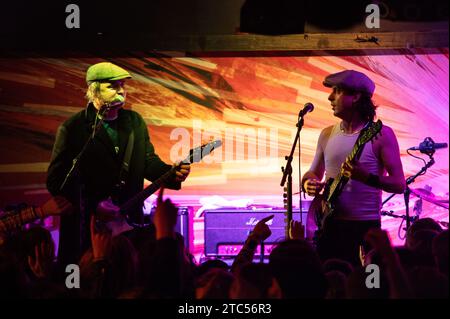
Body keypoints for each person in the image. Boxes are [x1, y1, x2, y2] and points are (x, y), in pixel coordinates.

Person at [46, 62, 190, 266]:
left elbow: (147, 161)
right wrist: (94, 204)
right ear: (94, 90)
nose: (121, 91)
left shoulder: (134, 122)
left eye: (122, 85)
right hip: (88, 229)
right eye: (113, 86)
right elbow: (56, 181)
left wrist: (172, 173)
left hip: (130, 224)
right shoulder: (73, 128)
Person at [302, 69, 405, 266]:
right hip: (329, 226)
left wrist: (367, 177)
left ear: (356, 96)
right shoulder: (326, 134)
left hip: (365, 229)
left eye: (337, 91)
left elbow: (399, 184)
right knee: (331, 282)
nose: (330, 97)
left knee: (370, 283)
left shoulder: (382, 134)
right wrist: (309, 182)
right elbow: (313, 172)